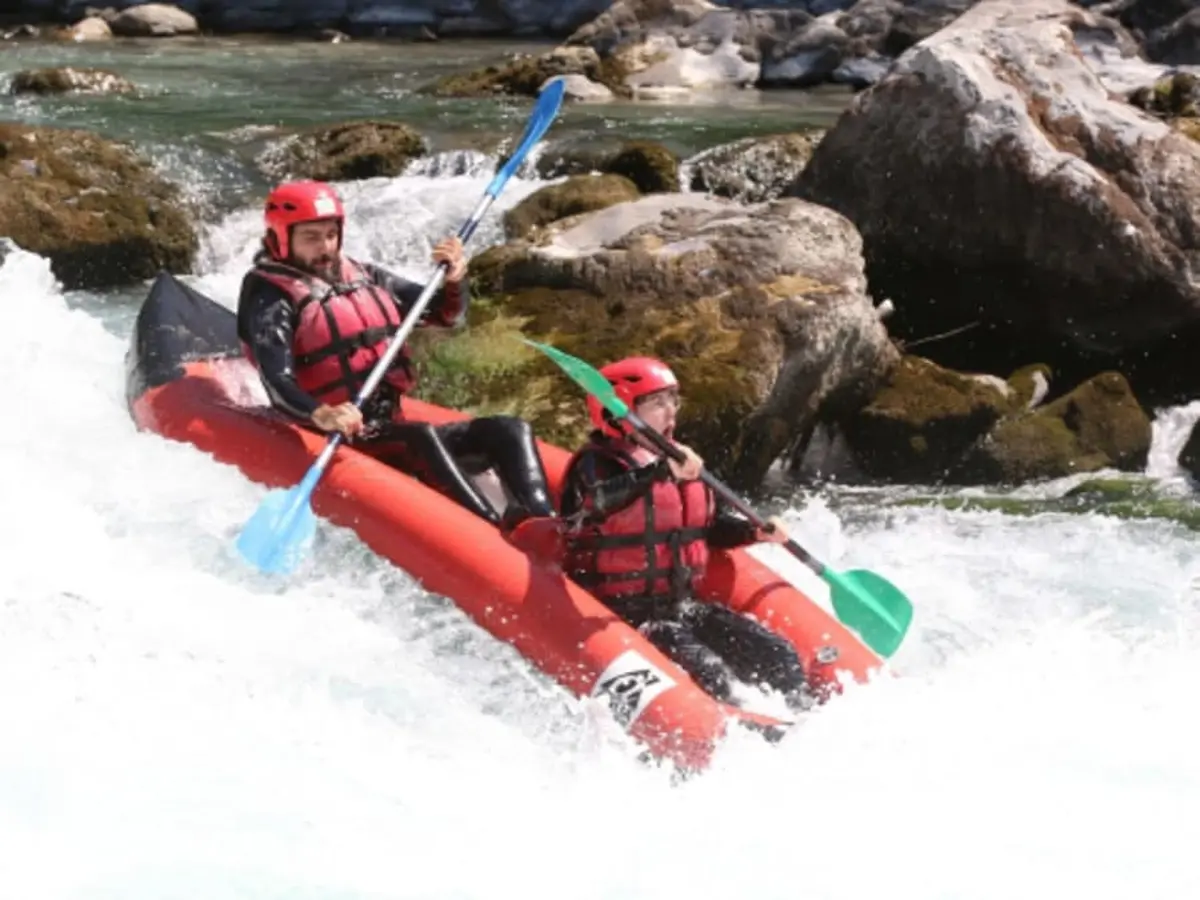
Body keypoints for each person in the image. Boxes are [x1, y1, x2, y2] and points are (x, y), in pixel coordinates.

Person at [235, 179, 557, 545]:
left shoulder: (363, 274)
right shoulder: (268, 294)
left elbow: (445, 315)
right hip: (339, 434)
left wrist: (454, 281)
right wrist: (323, 414)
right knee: (419, 438)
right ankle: (494, 533)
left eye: (331, 234)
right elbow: (278, 383)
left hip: (387, 424)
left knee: (507, 428)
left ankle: (543, 523)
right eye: (311, 238)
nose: (325, 248)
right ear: (280, 239)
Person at [560, 356, 812, 712]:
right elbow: (597, 502)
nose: (671, 410)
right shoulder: (597, 463)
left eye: (673, 400)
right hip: (624, 613)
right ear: (619, 409)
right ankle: (746, 730)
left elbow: (705, 528)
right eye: (657, 402)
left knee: (780, 656)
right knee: (713, 674)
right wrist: (660, 473)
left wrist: (754, 532)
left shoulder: (679, 459)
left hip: (681, 606)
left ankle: (802, 718)